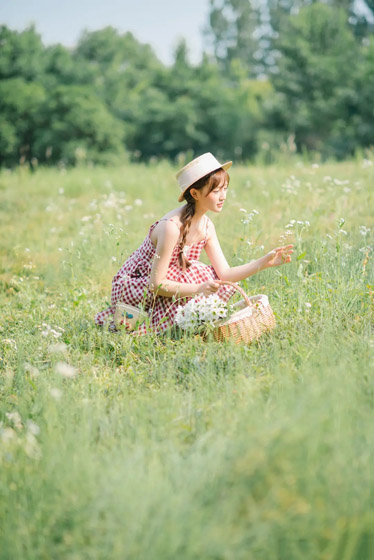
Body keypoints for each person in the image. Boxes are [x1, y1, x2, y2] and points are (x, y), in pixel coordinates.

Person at [95, 152, 293, 334]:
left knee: (209, 276)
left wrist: (263, 262)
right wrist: (198, 289)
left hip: (169, 282)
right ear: (195, 194)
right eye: (216, 191)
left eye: (225, 189)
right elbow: (156, 284)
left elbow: (226, 274)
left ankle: (183, 326)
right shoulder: (171, 228)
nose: (223, 196)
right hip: (138, 287)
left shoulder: (207, 226)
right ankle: (161, 326)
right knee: (194, 276)